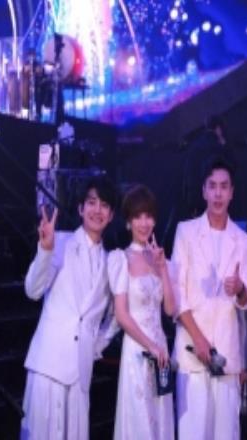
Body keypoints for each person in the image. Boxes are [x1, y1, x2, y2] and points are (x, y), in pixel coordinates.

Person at [20, 177, 118, 440]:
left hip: (80, 373)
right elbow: (33, 290)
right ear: (80, 208)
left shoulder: (110, 262)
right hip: (48, 365)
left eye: (104, 205)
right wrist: (45, 250)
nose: (97, 210)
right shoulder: (60, 242)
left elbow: (115, 317)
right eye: (91, 202)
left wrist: (94, 346)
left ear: (111, 215)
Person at [171, 157, 247, 440]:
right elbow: (177, 294)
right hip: (192, 352)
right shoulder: (185, 232)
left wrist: (240, 288)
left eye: (224, 187)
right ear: (204, 191)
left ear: (232, 192)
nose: (218, 193)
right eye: (213, 186)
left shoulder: (242, 239)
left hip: (227, 355)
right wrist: (199, 339)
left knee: (226, 434)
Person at [107, 185, 175, 439]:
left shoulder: (158, 258)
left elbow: (170, 309)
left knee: (160, 421)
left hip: (161, 352)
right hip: (137, 350)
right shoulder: (120, 259)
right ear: (128, 222)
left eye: (148, 216)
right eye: (137, 216)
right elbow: (122, 315)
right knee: (140, 423)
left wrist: (163, 269)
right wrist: (150, 346)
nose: (144, 223)